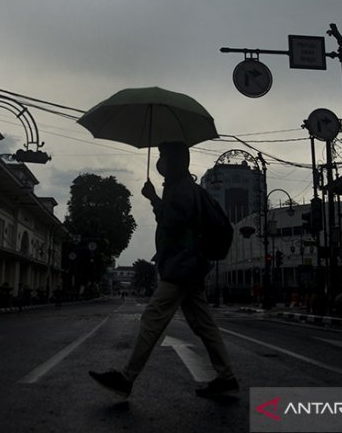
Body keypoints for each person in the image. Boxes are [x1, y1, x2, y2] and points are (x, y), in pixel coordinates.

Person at [89, 141, 238, 399]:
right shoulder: (183, 188)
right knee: (203, 323)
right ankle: (226, 377)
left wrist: (154, 199)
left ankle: (127, 377)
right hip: (190, 265)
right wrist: (158, 197)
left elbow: (173, 221)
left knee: (152, 317)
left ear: (175, 160)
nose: (160, 161)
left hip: (182, 266)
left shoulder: (181, 190)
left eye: (163, 156)